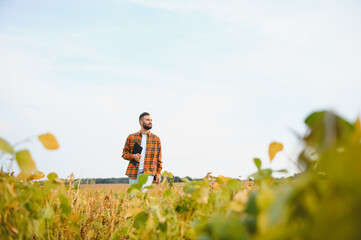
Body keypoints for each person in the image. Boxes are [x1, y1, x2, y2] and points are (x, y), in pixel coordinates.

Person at [122, 112, 162, 191]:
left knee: (143, 193)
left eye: (151, 120)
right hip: (133, 171)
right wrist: (133, 156)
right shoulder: (131, 137)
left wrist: (159, 173)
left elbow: (159, 158)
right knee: (133, 196)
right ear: (141, 122)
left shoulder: (156, 139)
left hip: (148, 171)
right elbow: (124, 154)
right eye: (147, 120)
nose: (150, 122)